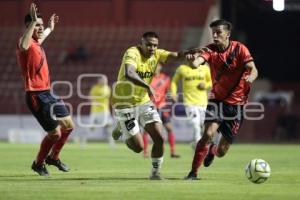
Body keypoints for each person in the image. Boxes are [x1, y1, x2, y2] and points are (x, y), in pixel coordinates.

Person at [111, 31, 194, 180]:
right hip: (124, 103)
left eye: (155, 45)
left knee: (160, 137)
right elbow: (129, 72)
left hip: (143, 101)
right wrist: (147, 86)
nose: (152, 48)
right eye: (148, 44)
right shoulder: (132, 52)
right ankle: (122, 129)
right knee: (138, 148)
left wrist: (188, 52)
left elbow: (176, 56)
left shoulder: (157, 54)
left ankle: (155, 173)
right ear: (141, 43)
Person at [184, 19, 258, 180]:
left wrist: (250, 78)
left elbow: (253, 70)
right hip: (216, 100)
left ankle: (213, 150)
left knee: (222, 152)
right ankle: (193, 173)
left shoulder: (240, 49)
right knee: (208, 133)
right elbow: (198, 62)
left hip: (237, 105)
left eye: (218, 32)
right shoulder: (210, 50)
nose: (215, 36)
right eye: (213, 33)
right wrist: (192, 62)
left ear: (228, 34)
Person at [16, 3, 75, 176]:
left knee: (69, 126)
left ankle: (53, 158)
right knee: (55, 134)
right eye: (37, 25)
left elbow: (40, 38)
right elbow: (24, 46)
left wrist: (49, 28)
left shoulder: (36, 42)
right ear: (29, 26)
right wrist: (34, 22)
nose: (40, 28)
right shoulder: (24, 42)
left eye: (41, 25)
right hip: (36, 96)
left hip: (48, 92)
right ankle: (38, 163)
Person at [171, 60, 212, 149]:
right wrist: (173, 93)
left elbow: (211, 81)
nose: (192, 57)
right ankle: (199, 147)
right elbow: (174, 81)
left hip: (203, 103)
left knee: (202, 125)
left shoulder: (205, 68)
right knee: (195, 124)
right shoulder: (182, 69)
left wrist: (205, 85)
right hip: (189, 103)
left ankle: (195, 143)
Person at [143, 63, 180, 158]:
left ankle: (172, 152)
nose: (156, 68)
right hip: (150, 107)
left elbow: (168, 91)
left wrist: (173, 96)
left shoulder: (165, 78)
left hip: (162, 107)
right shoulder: (147, 79)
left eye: (158, 66)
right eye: (154, 66)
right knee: (148, 130)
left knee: (169, 128)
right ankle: (146, 152)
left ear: (160, 67)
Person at [81, 76, 115, 148]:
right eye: (102, 80)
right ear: (99, 81)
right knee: (90, 127)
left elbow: (109, 99)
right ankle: (83, 143)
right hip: (95, 111)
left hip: (105, 111)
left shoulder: (108, 88)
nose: (104, 81)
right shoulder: (95, 88)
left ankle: (112, 144)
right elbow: (90, 97)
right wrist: (92, 100)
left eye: (105, 80)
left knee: (109, 127)